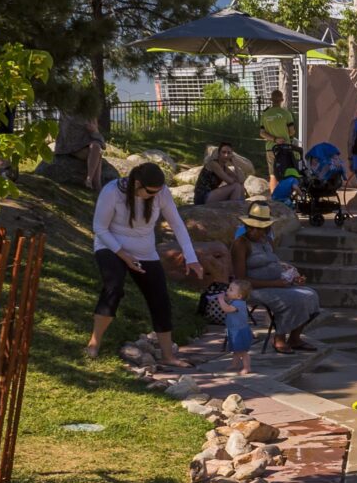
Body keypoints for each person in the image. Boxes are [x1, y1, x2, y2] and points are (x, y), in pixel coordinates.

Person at [86, 162, 203, 365]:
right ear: (137, 183)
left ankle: (168, 356)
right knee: (113, 287)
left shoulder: (161, 193)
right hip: (111, 245)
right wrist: (123, 255)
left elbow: (177, 224)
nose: (154, 195)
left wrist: (192, 258)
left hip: (145, 250)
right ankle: (94, 342)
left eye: (157, 192)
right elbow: (100, 228)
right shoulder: (112, 191)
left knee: (160, 297)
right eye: (150, 191)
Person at [230, 199, 320, 353]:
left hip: (276, 283)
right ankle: (279, 337)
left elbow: (275, 264)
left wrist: (292, 277)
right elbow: (241, 281)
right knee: (293, 299)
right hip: (253, 289)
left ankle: (295, 338)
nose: (257, 232)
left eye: (262, 229)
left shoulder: (267, 241)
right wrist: (275, 283)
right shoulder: (241, 244)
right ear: (247, 226)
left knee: (311, 295)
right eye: (254, 228)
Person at [257, 87, 297, 182]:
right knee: (286, 172)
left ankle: (274, 195)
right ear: (282, 100)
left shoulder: (265, 114)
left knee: (272, 174)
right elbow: (291, 131)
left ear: (271, 100)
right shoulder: (286, 113)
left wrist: (274, 139)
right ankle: (285, 194)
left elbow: (262, 133)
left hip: (270, 148)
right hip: (284, 147)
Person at [216, 279, 255, 374]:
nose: (227, 291)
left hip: (240, 331)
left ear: (239, 296)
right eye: (229, 288)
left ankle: (247, 367)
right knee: (236, 350)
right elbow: (228, 303)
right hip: (234, 330)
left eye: (231, 290)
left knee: (242, 352)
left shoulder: (238, 304)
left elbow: (226, 309)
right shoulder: (235, 301)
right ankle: (235, 364)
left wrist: (221, 300)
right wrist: (224, 299)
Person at [194, 141, 250, 206]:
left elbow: (241, 180)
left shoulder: (224, 168)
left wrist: (234, 163)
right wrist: (236, 181)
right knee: (236, 186)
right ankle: (235, 209)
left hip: (211, 196)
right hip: (202, 197)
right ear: (219, 153)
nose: (226, 155)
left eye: (229, 153)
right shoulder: (213, 164)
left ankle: (238, 207)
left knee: (239, 186)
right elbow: (230, 181)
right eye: (223, 152)